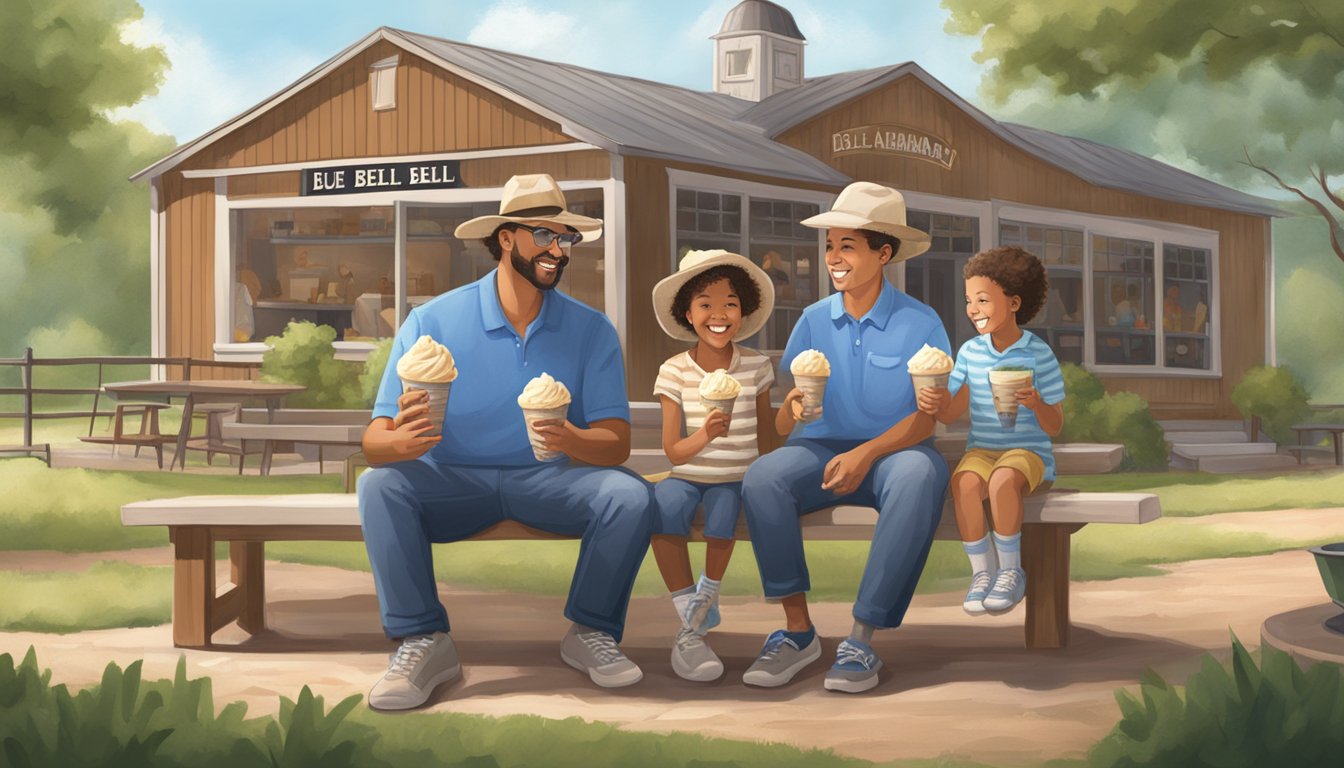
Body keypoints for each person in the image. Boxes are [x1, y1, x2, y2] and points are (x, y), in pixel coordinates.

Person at [357, 174, 654, 711]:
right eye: (545, 235)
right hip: (453, 481)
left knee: (629, 494)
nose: (557, 251)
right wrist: (401, 442)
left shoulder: (591, 330)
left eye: (566, 239)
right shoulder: (433, 322)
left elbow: (616, 445)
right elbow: (375, 442)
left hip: (552, 480)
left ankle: (589, 631)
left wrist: (570, 438)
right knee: (379, 485)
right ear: (506, 238)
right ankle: (423, 639)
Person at [740, 182, 951, 694]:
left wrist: (867, 452)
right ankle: (797, 632)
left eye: (847, 247)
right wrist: (789, 411)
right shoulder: (813, 321)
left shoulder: (921, 322)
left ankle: (861, 639)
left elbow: (926, 421)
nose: (834, 258)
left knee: (920, 475)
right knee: (764, 477)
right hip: (816, 453)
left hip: (897, 451)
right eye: (830, 246)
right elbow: (787, 421)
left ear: (883, 253)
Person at [649, 249, 777, 682]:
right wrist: (706, 433)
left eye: (730, 304)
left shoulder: (757, 366)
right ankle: (691, 610)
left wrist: (793, 414)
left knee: (725, 513)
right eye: (705, 304)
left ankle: (707, 596)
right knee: (663, 506)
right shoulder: (673, 371)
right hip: (687, 475)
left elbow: (769, 438)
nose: (719, 314)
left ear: (744, 310)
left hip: (736, 478)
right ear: (688, 313)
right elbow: (672, 452)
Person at [917, 246, 1065, 616]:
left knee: (1001, 481)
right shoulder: (969, 352)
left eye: (983, 300)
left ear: (1015, 303)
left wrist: (1036, 404)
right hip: (983, 450)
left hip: (1028, 453)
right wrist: (935, 403)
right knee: (964, 484)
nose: (973, 309)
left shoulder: (1038, 354)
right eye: (969, 300)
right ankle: (983, 573)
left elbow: (1055, 425)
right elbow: (952, 412)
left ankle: (1011, 571)